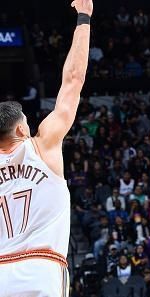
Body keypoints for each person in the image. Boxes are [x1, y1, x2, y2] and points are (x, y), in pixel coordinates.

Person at [0, 1, 92, 296]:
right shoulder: (43, 145)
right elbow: (73, 81)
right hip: (43, 266)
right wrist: (84, 17)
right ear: (20, 129)